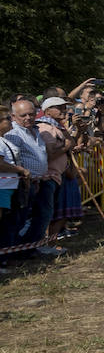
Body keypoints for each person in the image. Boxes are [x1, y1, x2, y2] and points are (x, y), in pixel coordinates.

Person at [5, 98, 61, 257]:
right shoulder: (13, 134)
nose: (28, 118)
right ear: (13, 116)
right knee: (22, 219)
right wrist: (27, 177)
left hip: (43, 180)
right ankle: (17, 250)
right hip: (26, 183)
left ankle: (31, 248)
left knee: (43, 215)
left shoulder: (36, 129)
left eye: (31, 114)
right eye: (23, 115)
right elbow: (13, 160)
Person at [37, 97, 78, 243]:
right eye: (59, 108)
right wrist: (66, 147)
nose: (63, 110)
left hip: (58, 175)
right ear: (47, 111)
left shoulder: (57, 126)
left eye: (64, 107)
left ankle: (50, 243)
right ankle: (42, 243)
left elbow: (71, 142)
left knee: (54, 213)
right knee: (46, 215)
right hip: (49, 176)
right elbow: (49, 154)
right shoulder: (45, 128)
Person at [0, 106, 32, 273]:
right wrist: (20, 170)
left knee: (10, 224)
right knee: (4, 225)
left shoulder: (4, 139)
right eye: (6, 118)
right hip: (2, 190)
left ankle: (6, 259)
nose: (10, 121)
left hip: (10, 188)